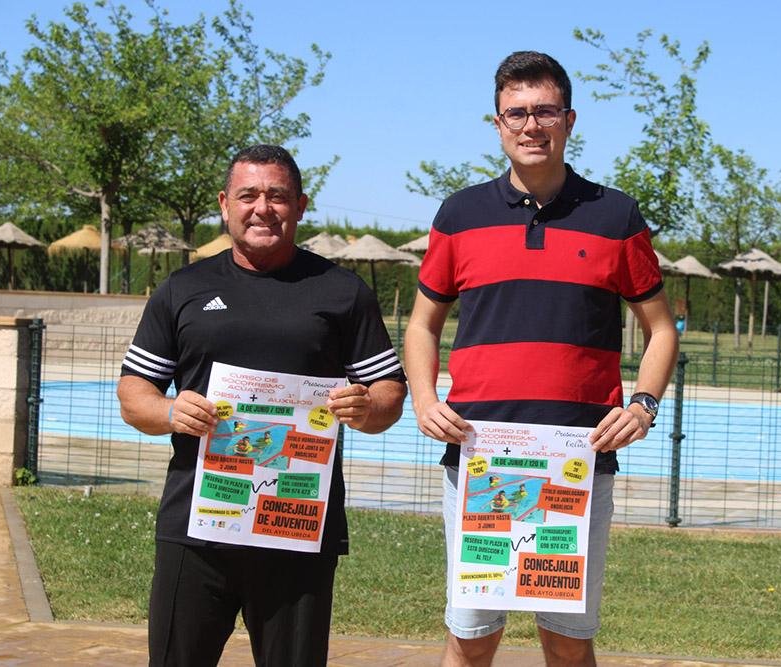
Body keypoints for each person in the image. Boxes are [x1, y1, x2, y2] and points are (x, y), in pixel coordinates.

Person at [404, 52, 678, 666]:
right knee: (471, 641)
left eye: (544, 111)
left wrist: (643, 405)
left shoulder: (615, 216)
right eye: (516, 113)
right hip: (480, 455)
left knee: (568, 644)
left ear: (570, 119)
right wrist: (424, 399)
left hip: (576, 461)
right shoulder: (459, 214)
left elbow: (660, 330)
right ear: (497, 124)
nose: (531, 125)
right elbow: (422, 324)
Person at [117, 144, 407, 667]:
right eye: (249, 195)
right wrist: (169, 412)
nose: (263, 208)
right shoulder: (183, 289)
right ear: (225, 205)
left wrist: (366, 408)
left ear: (300, 205)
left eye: (277, 196)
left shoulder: (342, 292)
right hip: (196, 525)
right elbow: (133, 393)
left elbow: (389, 392)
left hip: (296, 521)